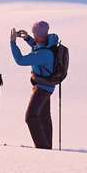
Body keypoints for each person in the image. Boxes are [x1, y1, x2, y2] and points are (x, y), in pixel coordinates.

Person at [10, 20, 62, 149]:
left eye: (34, 33)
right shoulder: (49, 45)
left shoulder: (43, 54)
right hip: (47, 86)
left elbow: (20, 60)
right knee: (44, 117)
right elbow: (38, 46)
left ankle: (42, 149)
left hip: (42, 89)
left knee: (31, 117)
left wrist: (12, 43)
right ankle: (47, 147)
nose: (33, 34)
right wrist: (27, 38)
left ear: (39, 35)